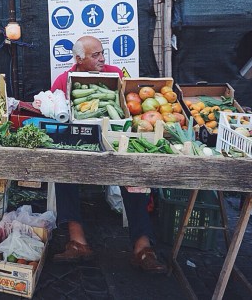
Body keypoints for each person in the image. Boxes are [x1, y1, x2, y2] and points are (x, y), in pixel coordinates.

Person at [50, 35, 167, 274]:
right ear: (79, 59)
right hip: (80, 142)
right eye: (96, 55)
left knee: (135, 173)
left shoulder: (115, 75)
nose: (103, 59)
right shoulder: (63, 80)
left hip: (115, 141)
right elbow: (55, 113)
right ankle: (77, 241)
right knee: (63, 165)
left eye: (103, 53)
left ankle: (142, 247)